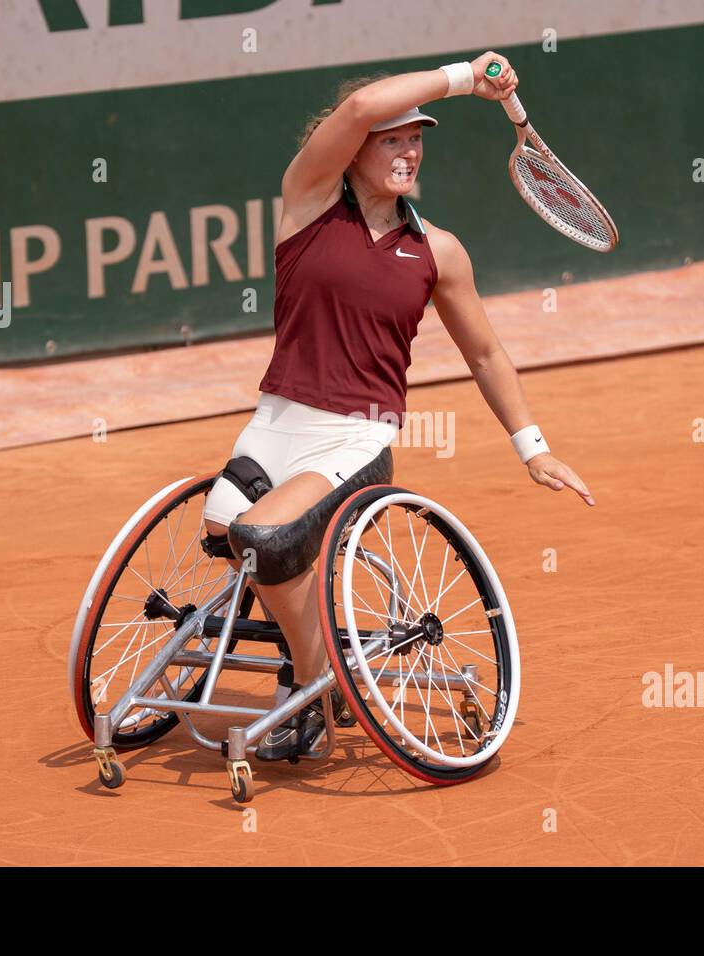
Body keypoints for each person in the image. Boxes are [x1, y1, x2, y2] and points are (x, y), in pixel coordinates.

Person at [202, 52, 594, 761]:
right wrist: (466, 77)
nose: (408, 151)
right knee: (223, 528)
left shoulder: (439, 251)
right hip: (274, 425)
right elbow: (356, 108)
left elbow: (485, 354)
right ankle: (310, 648)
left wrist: (532, 447)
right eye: (392, 140)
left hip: (355, 440)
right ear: (354, 150)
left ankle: (311, 686)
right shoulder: (307, 202)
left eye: (416, 139)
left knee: (264, 538)